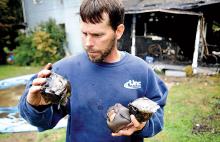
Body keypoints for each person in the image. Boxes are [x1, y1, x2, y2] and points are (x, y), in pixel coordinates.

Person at [18, 0, 168, 141]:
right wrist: (36, 107)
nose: (88, 43)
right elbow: (42, 122)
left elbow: (158, 114)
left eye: (97, 35)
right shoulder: (64, 70)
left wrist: (143, 124)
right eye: (84, 33)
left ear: (119, 31)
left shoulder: (141, 70)